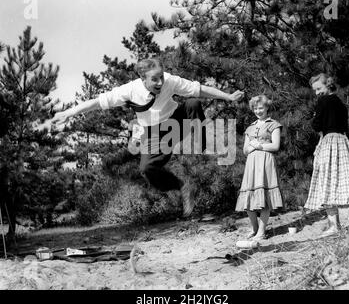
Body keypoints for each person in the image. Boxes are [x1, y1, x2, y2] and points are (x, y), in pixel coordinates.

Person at [41, 58, 244, 217]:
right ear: (142, 79)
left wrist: (227, 96)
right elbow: (96, 102)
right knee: (147, 170)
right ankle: (182, 187)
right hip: (154, 133)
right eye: (154, 79)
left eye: (161, 77)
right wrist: (68, 113)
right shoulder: (128, 90)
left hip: (177, 120)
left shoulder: (170, 81)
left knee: (192, 103)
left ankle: (201, 149)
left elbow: (200, 90)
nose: (159, 82)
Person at [304, 73, 349, 236]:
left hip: (329, 141)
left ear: (328, 85)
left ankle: (334, 225)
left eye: (319, 88)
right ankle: (334, 224)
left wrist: (315, 119)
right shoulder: (340, 103)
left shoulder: (323, 102)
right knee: (337, 181)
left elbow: (317, 126)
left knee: (327, 181)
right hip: (342, 141)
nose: (317, 93)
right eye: (315, 90)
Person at [235, 95, 284, 242]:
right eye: (255, 108)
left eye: (261, 107)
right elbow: (244, 150)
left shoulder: (273, 124)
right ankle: (255, 228)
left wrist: (260, 145)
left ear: (267, 107)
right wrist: (251, 147)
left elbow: (275, 146)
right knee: (248, 200)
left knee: (264, 197)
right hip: (251, 162)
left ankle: (261, 232)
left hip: (265, 161)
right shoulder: (250, 127)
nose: (258, 110)